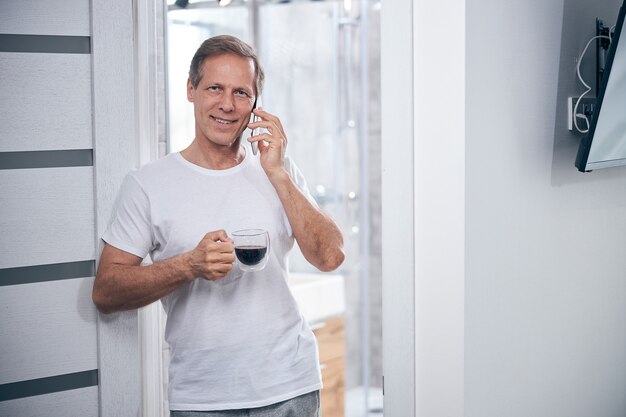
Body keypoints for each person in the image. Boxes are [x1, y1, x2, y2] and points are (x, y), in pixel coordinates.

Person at [92, 35, 345, 416]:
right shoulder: (147, 184)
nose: (227, 105)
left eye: (241, 93)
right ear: (191, 90)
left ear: (255, 106)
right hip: (203, 400)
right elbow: (106, 292)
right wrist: (188, 265)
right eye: (214, 88)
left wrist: (276, 172)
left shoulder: (279, 171)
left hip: (290, 388)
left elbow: (330, 256)